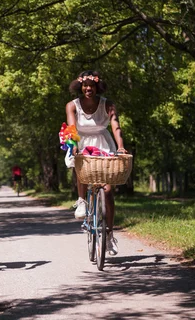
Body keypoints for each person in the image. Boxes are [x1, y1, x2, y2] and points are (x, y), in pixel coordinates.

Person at [65, 70, 127, 256]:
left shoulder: (107, 104)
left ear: (97, 87)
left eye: (92, 85)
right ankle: (82, 200)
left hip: (103, 143)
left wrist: (121, 146)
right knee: (81, 166)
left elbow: (115, 126)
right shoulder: (72, 106)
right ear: (80, 87)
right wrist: (74, 145)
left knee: (107, 191)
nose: (88, 88)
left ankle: (109, 235)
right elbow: (71, 127)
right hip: (82, 141)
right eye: (85, 85)